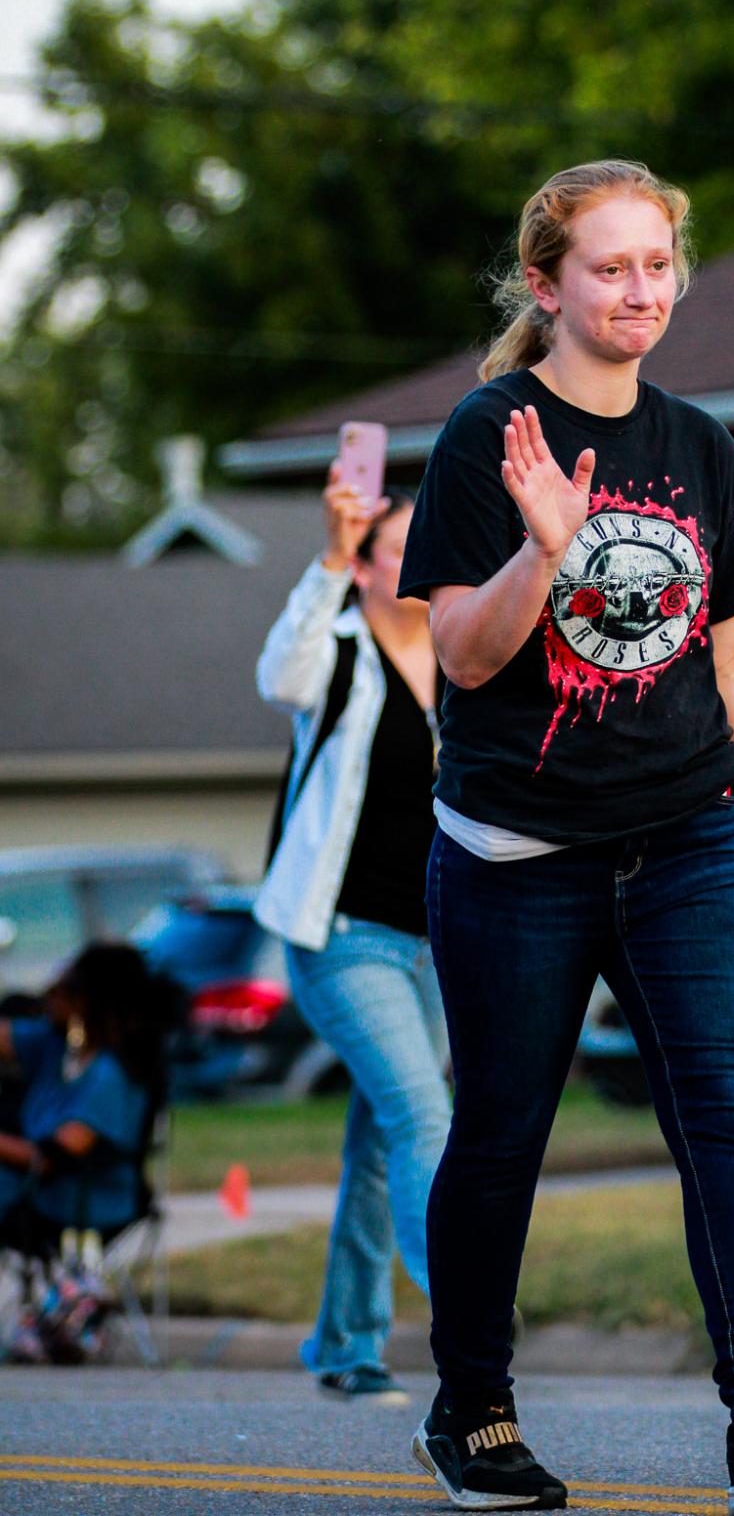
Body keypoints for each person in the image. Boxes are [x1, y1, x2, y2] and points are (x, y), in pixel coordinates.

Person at [397, 160, 734, 1514]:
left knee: (725, 1110)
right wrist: (543, 548)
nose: (639, 290)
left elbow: (733, 670)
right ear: (546, 288)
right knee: (501, 1131)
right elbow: (462, 659)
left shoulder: (700, 446)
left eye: (656, 265)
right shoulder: (487, 435)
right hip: (513, 859)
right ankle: (472, 1409)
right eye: (610, 268)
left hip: (684, 840)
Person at [254, 477, 450, 1405]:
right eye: (393, 549)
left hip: (442, 940)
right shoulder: (335, 652)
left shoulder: (467, 653)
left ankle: (345, 1343)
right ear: (367, 570)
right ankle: (469, 1317)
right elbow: (277, 676)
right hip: (342, 934)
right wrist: (328, 553)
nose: (413, 564)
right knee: (423, 1117)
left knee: (384, 1139)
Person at [0, 943, 175, 1249]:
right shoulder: (58, 1044)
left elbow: (51, 1159)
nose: (48, 995)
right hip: (31, 1191)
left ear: (87, 1001)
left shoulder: (112, 1075)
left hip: (81, 1201)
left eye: (61, 988)